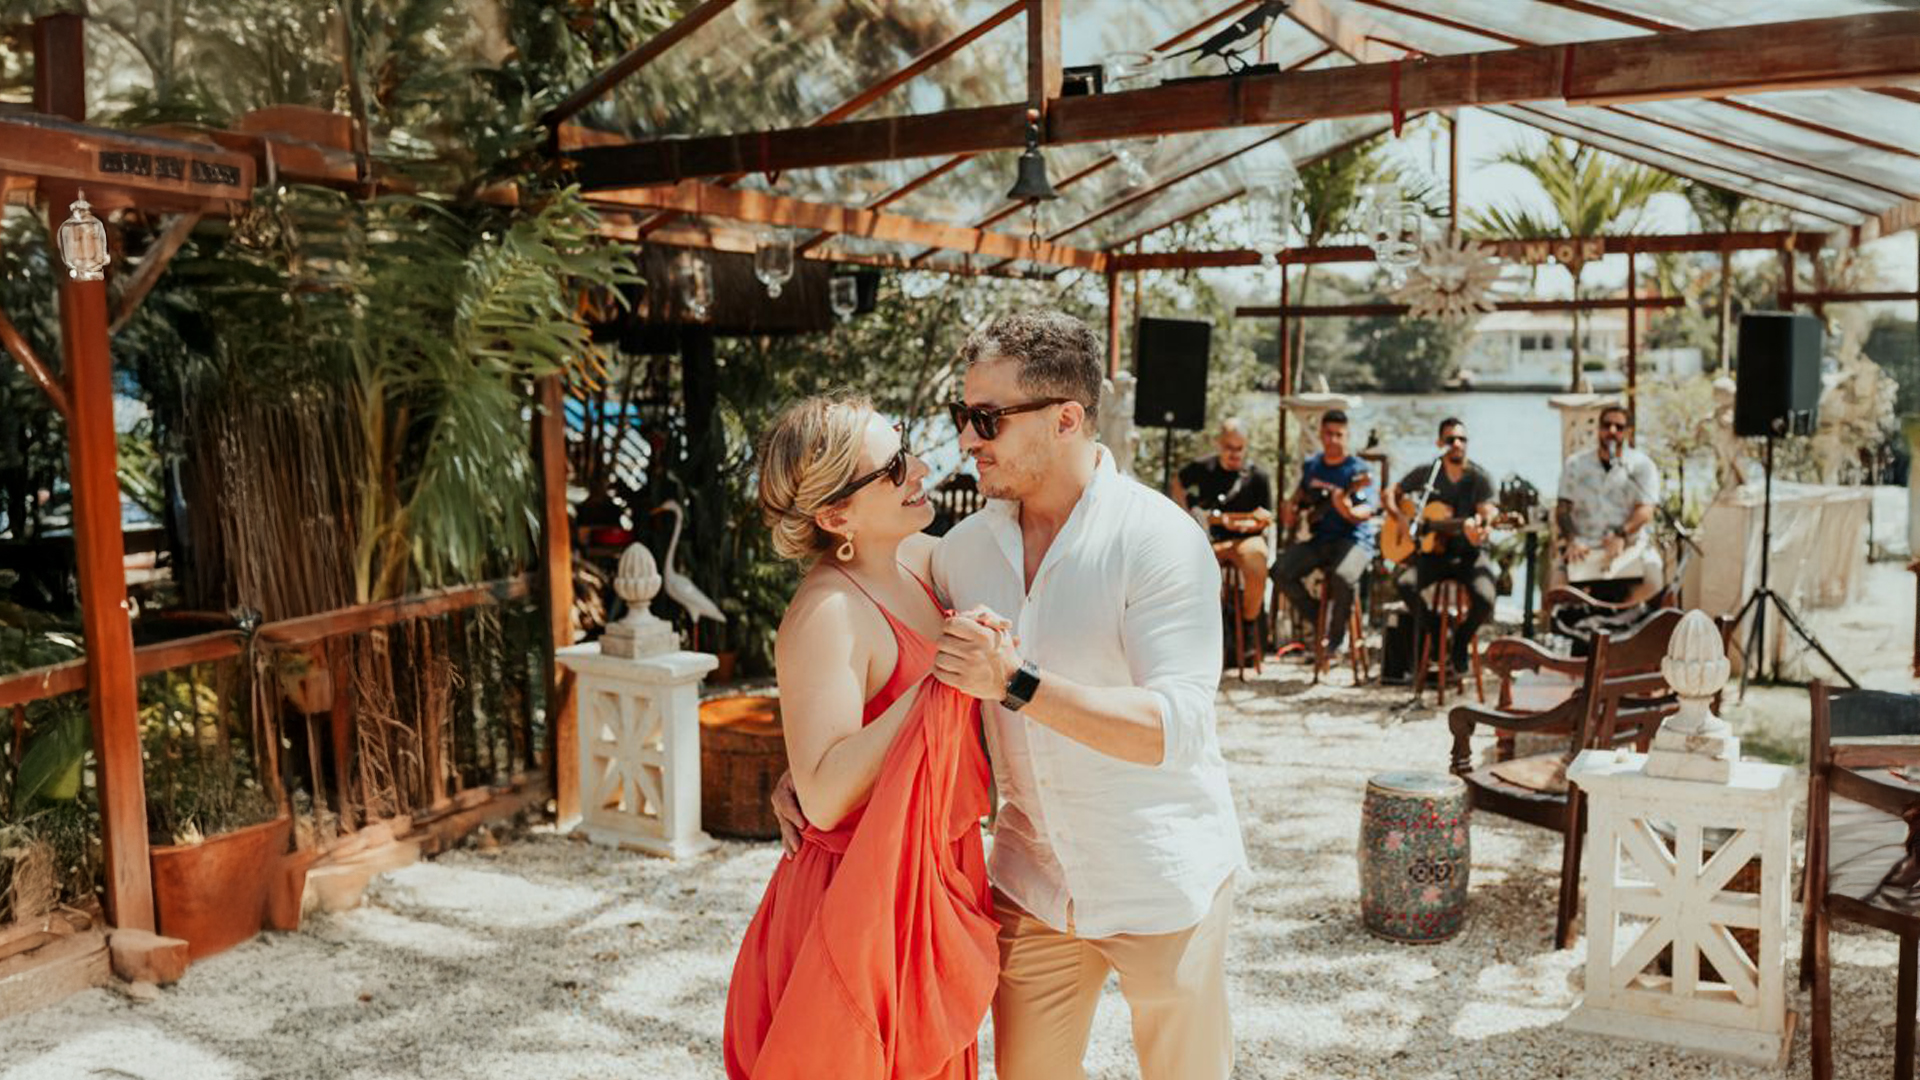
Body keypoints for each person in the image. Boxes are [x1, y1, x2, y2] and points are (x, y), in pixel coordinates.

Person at [777, 310, 1245, 1080]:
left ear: (1066, 419)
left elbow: (1176, 728)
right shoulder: (961, 553)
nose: (965, 439)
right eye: (961, 414)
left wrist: (1016, 684)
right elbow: (855, 600)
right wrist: (811, 762)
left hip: (1161, 881)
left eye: (987, 418)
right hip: (1031, 889)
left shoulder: (1159, 542)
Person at [724, 396, 999, 1080]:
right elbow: (821, 795)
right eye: (894, 467)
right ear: (835, 516)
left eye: (907, 448)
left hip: (934, 869)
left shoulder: (919, 562)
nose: (922, 469)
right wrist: (935, 680)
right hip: (862, 895)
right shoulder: (828, 612)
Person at [1386, 417, 1498, 677]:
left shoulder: (1479, 477)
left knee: (1485, 599)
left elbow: (1488, 510)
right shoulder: (1429, 473)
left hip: (1469, 554)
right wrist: (1399, 517)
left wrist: (1484, 525)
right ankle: (1437, 632)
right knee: (1404, 584)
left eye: (1462, 439)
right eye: (1451, 439)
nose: (1457, 444)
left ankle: (1460, 642)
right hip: (1435, 555)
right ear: (1440, 443)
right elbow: (1391, 492)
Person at [1272, 409, 1377, 656]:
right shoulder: (1313, 466)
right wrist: (1290, 509)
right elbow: (1298, 499)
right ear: (1321, 434)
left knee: (1343, 577)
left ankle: (1337, 637)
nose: (1333, 440)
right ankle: (1320, 619)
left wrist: (1346, 509)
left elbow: (1366, 511)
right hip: (1319, 539)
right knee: (1279, 571)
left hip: (1354, 541)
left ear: (1347, 436)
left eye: (1339, 435)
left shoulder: (1359, 470)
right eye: (1329, 434)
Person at [1172, 417, 1274, 646]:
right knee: (1187, 567)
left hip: (1246, 540)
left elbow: (1265, 518)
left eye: (1239, 448)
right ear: (1219, 444)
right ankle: (1205, 626)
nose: (1234, 454)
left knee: (1258, 562)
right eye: (1229, 447)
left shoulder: (1258, 476)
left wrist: (1243, 524)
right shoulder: (1204, 467)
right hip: (1210, 541)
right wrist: (1187, 513)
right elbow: (1178, 481)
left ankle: (1248, 625)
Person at [1556, 402, 1663, 603]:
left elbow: (1646, 510)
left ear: (1628, 432)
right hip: (1585, 546)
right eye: (1606, 425)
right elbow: (1563, 509)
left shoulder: (1642, 465)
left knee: (1653, 583)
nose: (1612, 431)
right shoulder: (1575, 464)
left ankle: (1625, 618)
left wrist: (1621, 535)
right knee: (1557, 588)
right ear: (1599, 429)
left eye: (1619, 427)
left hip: (1628, 545)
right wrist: (1572, 540)